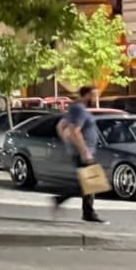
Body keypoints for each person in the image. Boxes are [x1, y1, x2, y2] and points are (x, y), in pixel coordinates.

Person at [53, 86, 105, 224]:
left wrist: (68, 142)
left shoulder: (76, 108)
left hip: (82, 150)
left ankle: (63, 200)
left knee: (89, 182)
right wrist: (84, 151)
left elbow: (60, 126)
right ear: (86, 95)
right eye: (93, 95)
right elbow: (75, 130)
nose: (95, 98)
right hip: (84, 151)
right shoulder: (79, 109)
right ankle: (87, 213)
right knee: (92, 181)